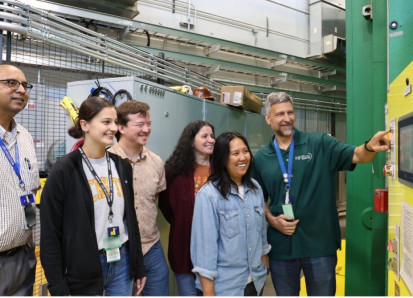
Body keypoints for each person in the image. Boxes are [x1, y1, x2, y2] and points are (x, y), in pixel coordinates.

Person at [253, 92, 391, 296]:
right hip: (282, 247)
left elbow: (356, 155)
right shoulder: (262, 157)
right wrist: (272, 221)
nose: (287, 118)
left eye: (290, 112)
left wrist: (370, 145)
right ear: (268, 118)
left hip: (319, 246)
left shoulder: (319, 144)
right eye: (280, 114)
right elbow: (259, 200)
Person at [40, 97, 146, 296]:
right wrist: (57, 286)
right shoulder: (64, 170)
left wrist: (138, 266)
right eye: (106, 122)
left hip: (121, 262)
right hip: (83, 267)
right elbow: (50, 234)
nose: (113, 128)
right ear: (85, 125)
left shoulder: (121, 166)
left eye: (115, 122)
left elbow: (131, 219)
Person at [190, 131, 271, 296]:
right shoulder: (209, 195)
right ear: (222, 159)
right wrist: (208, 292)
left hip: (255, 283)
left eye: (245, 151)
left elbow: (261, 233)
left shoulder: (255, 188)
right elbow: (204, 252)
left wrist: (264, 266)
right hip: (225, 288)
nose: (242, 158)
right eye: (235, 153)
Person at [108, 100, 169, 296]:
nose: (146, 130)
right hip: (118, 251)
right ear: (121, 127)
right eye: (140, 125)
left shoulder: (156, 162)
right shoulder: (106, 162)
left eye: (149, 124)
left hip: (151, 248)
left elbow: (154, 200)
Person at [159, 120, 215, 296]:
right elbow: (166, 206)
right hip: (184, 248)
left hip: (216, 251)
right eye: (204, 136)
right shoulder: (174, 172)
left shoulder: (221, 170)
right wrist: (184, 221)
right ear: (191, 142)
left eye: (212, 136)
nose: (211, 140)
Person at [0, 64, 40, 296]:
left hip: (24, 256)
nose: (21, 90)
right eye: (11, 83)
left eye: (25, 85)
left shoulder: (24, 136)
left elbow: (30, 192)